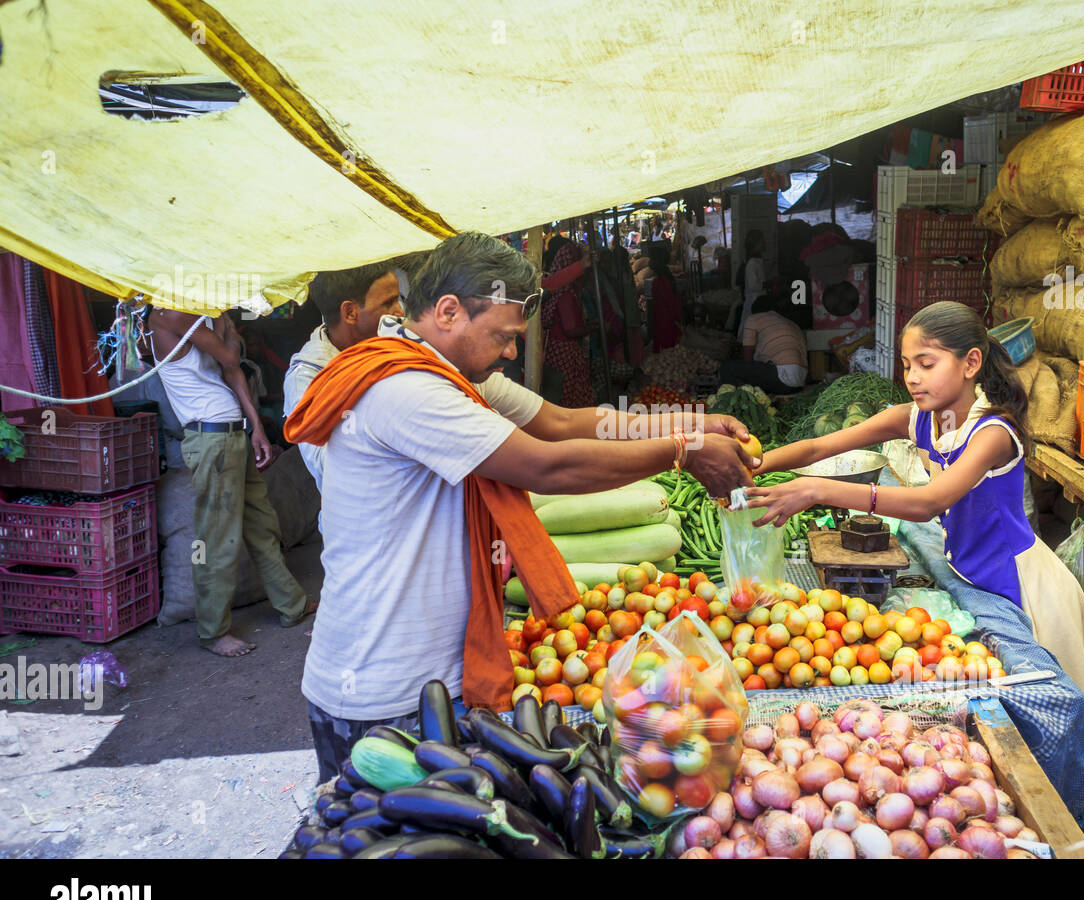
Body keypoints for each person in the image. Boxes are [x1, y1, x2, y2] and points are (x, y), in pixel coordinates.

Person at [283, 231, 758, 784]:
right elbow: (546, 465)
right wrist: (682, 452)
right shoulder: (408, 389)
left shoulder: (457, 374)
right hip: (383, 688)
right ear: (448, 311)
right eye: (503, 337)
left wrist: (692, 423)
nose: (511, 352)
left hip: (434, 679)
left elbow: (567, 423)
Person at [745, 301, 1084, 744]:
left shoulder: (993, 433)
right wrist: (752, 465)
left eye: (926, 363)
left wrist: (817, 490)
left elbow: (928, 502)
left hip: (1020, 583)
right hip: (968, 571)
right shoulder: (918, 418)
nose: (912, 377)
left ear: (970, 363)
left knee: (1049, 720)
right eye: (906, 365)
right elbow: (816, 449)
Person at [146, 307, 316, 658]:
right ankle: (212, 631)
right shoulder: (167, 314)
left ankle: (291, 605)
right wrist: (223, 322)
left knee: (262, 525)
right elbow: (229, 355)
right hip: (209, 439)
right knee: (216, 538)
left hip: (232, 434)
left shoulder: (203, 318)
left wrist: (256, 428)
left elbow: (233, 370)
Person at [283, 257, 419, 489]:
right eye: (388, 303)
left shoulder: (401, 343)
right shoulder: (308, 376)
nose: (399, 311)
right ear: (350, 313)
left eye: (399, 299)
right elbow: (326, 467)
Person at [540, 240, 596, 408]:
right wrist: (592, 327)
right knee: (570, 395)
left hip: (556, 351)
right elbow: (571, 330)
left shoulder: (559, 292)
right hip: (564, 353)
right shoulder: (564, 294)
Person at [720, 294, 808, 395]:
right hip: (800, 381)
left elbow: (747, 360)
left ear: (755, 311)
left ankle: (739, 403)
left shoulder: (754, 319)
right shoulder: (792, 324)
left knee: (727, 368)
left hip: (781, 377)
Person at [647, 244, 682, 352]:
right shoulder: (663, 278)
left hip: (664, 322)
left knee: (666, 351)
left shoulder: (661, 281)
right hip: (664, 321)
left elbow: (668, 304)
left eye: (652, 259)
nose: (649, 262)